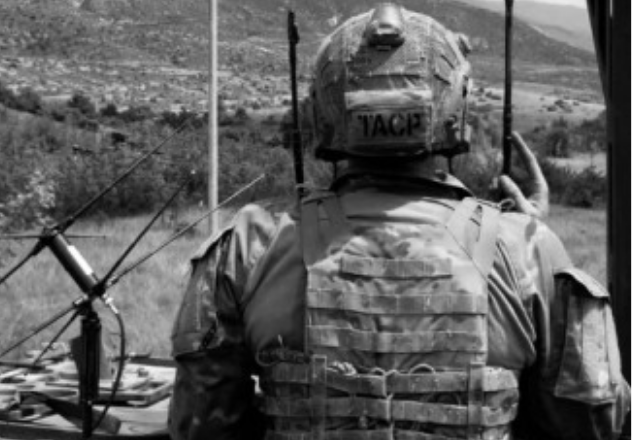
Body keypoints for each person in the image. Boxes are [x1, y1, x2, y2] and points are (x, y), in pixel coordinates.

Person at [168, 4, 630, 440]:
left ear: (325, 109)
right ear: (455, 107)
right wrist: (532, 241)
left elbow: (200, 425)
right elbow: (591, 425)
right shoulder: (528, 250)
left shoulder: (248, 248)